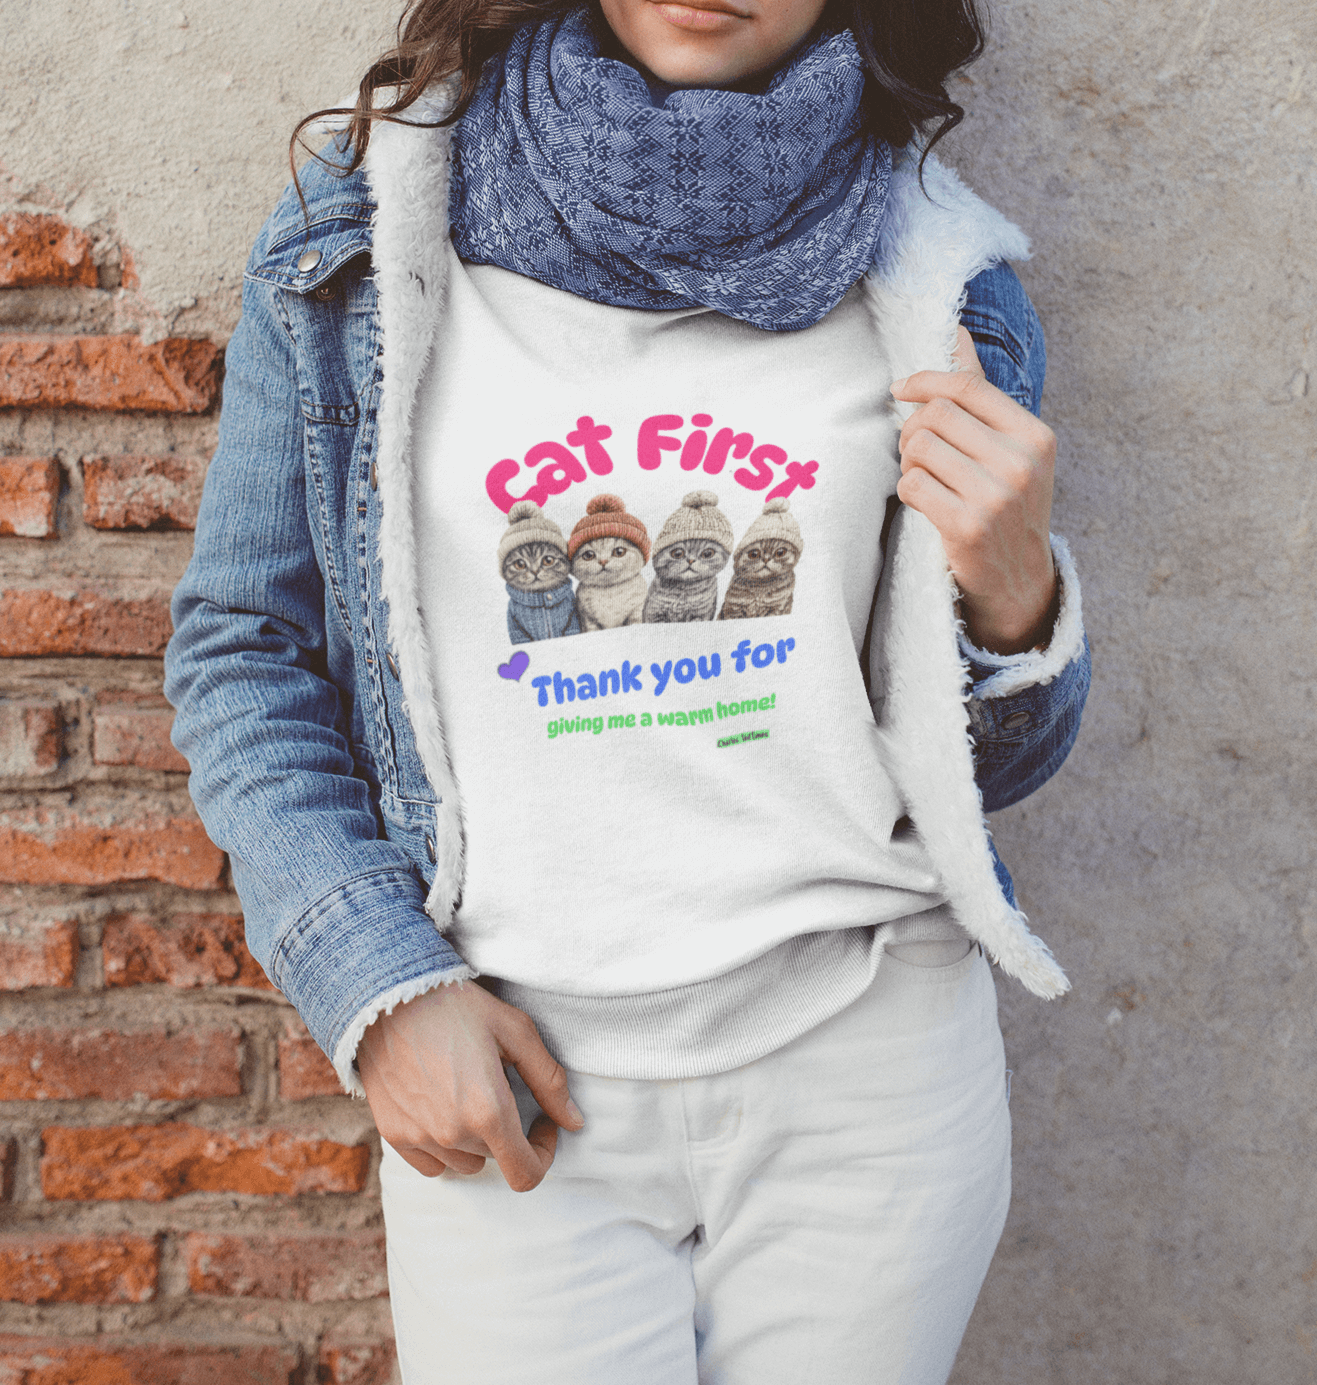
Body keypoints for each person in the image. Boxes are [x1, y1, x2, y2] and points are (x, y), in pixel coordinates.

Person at [165, 0, 1090, 1376]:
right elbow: (244, 646)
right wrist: (377, 985)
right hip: (521, 1087)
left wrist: (1020, 601)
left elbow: (987, 766)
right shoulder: (367, 225)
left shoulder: (936, 268)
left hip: (875, 1076)